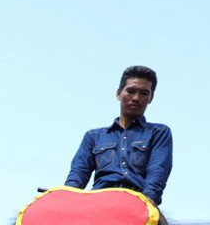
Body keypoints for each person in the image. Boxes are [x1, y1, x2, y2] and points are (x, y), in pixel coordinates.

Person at [64, 65, 173, 205]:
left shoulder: (159, 132)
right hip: (98, 200)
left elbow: (158, 169)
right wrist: (67, 195)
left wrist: (149, 199)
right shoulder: (93, 136)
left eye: (144, 93)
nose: (136, 98)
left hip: (139, 201)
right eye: (131, 91)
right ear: (119, 93)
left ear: (150, 98)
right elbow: (79, 172)